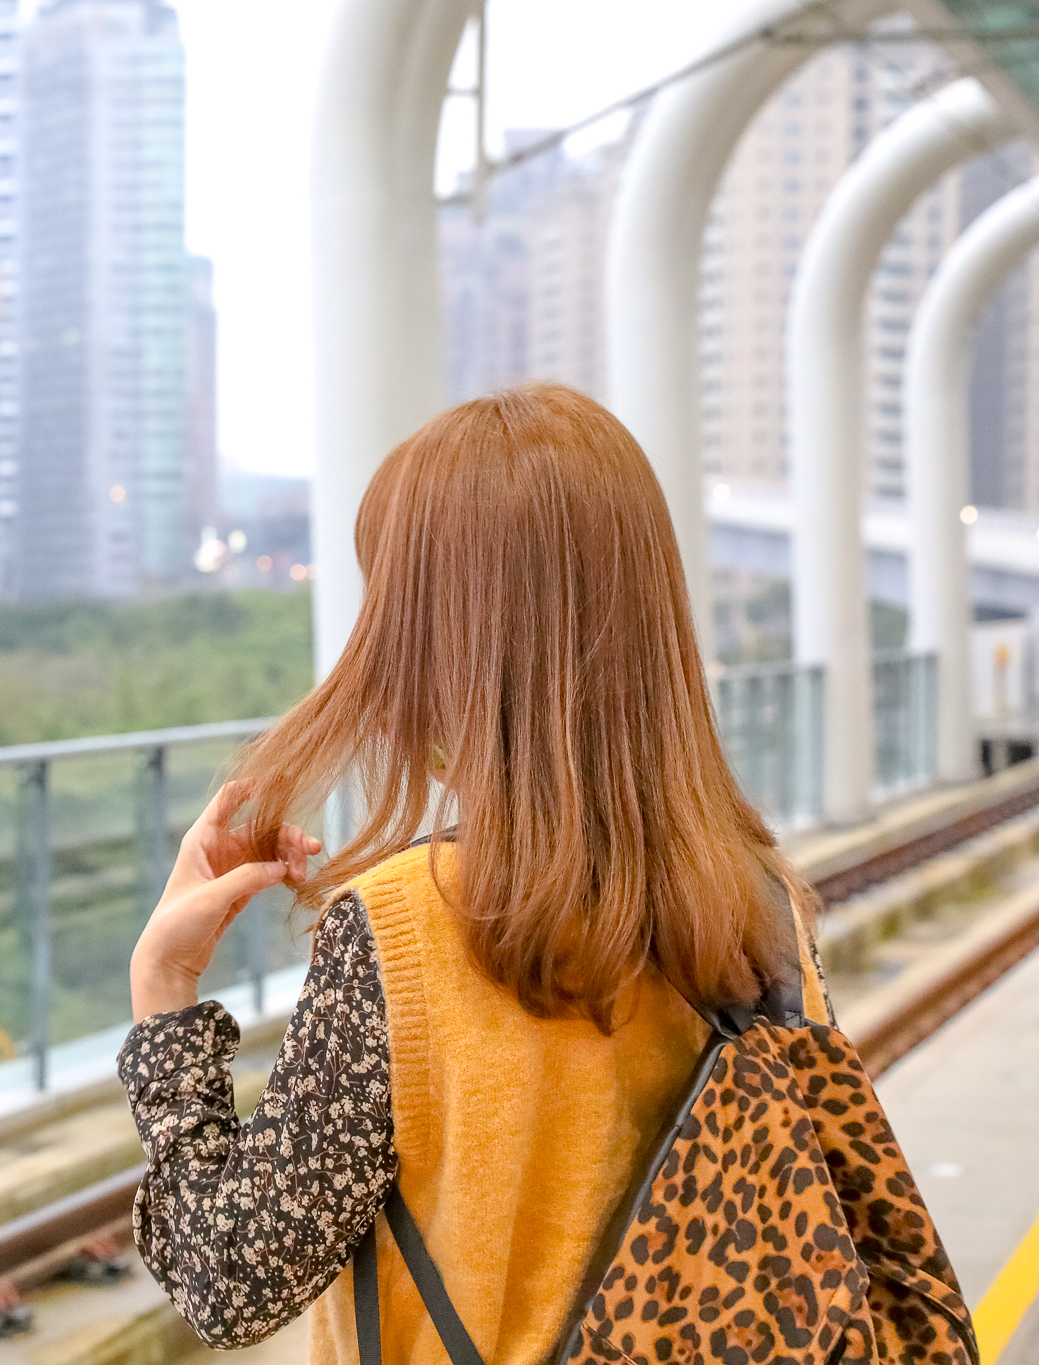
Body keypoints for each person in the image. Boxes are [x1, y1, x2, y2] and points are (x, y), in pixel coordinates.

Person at [117, 384, 833, 1364]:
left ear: (434, 636)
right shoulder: (756, 898)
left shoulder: (404, 926)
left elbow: (230, 1281)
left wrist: (164, 994)